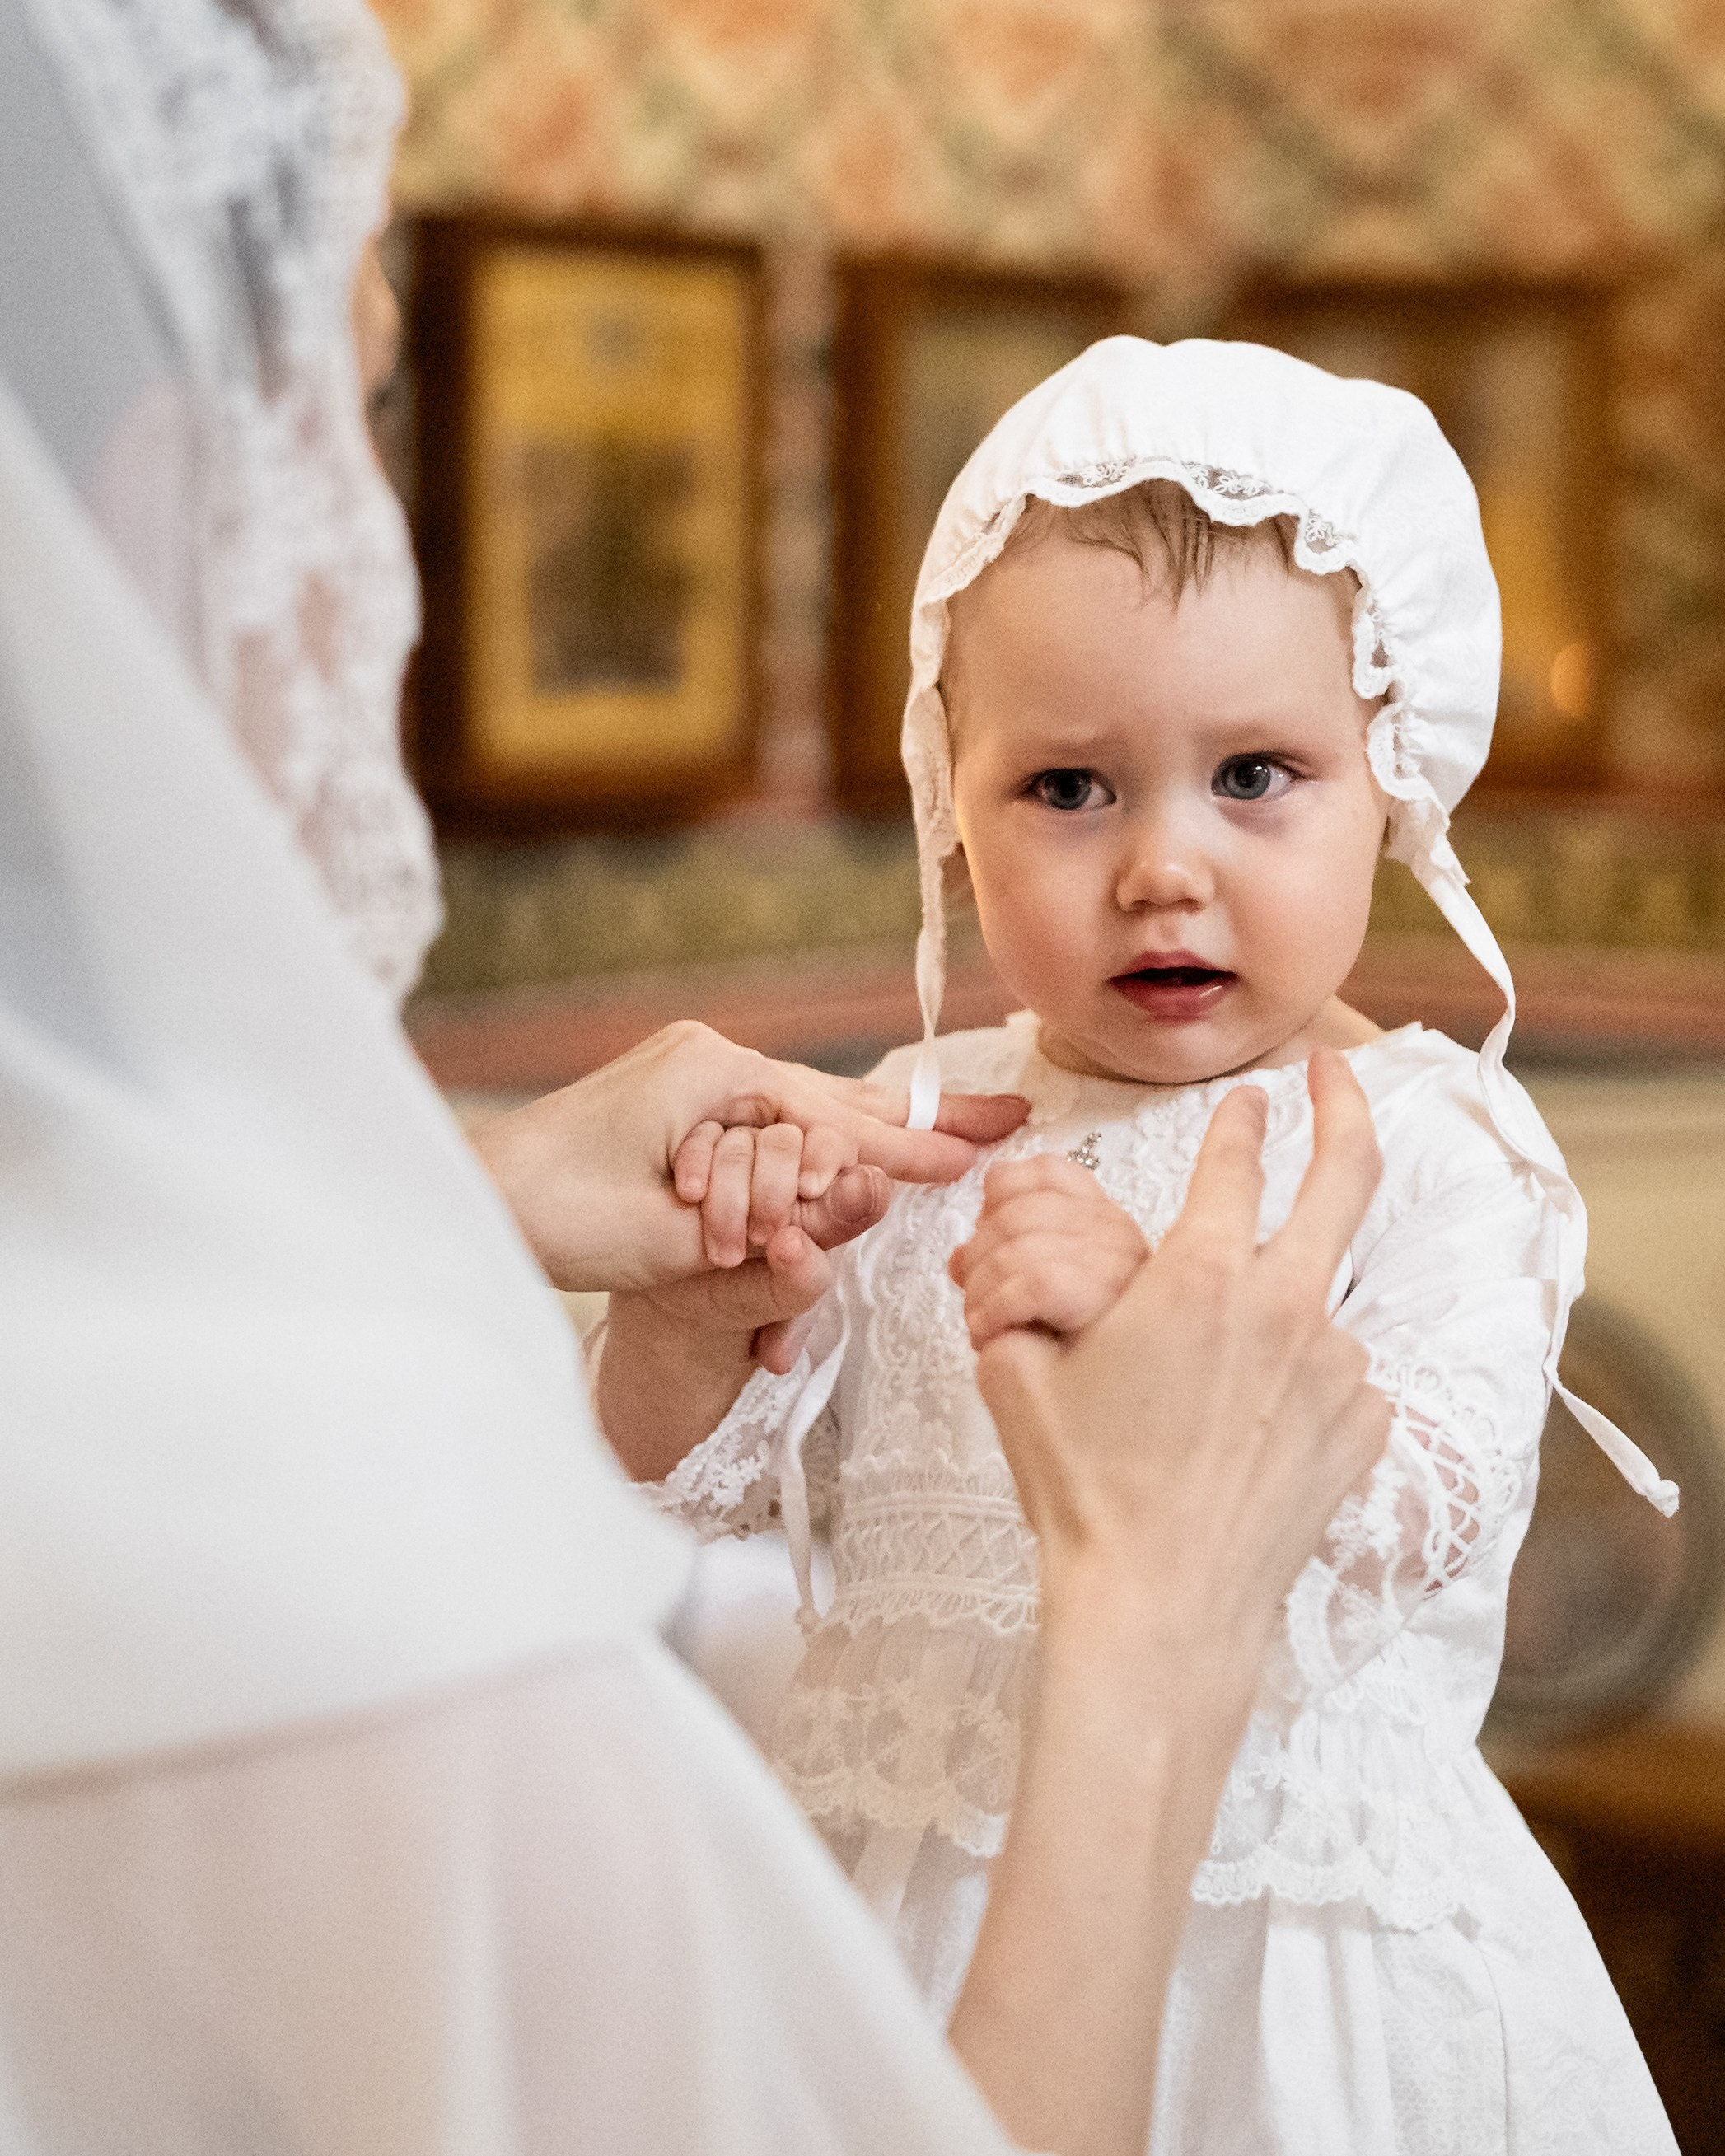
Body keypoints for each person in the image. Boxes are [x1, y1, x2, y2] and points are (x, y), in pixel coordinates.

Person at [0, 6, 1395, 2154]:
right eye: (362, 413)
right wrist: (1149, 1617)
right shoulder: (323, 1583)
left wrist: (471, 1200)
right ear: (172, 492)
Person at [596, 339, 1683, 2154]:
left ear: (1388, 785)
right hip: (905, 1915)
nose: (1162, 865)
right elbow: (676, 1496)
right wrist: (698, 1321)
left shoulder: (1430, 1144)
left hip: (1296, 1954)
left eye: (1254, 774)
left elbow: (1414, 1520)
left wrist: (1152, 1335)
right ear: (958, 800)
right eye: (1071, 790)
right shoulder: (917, 1122)